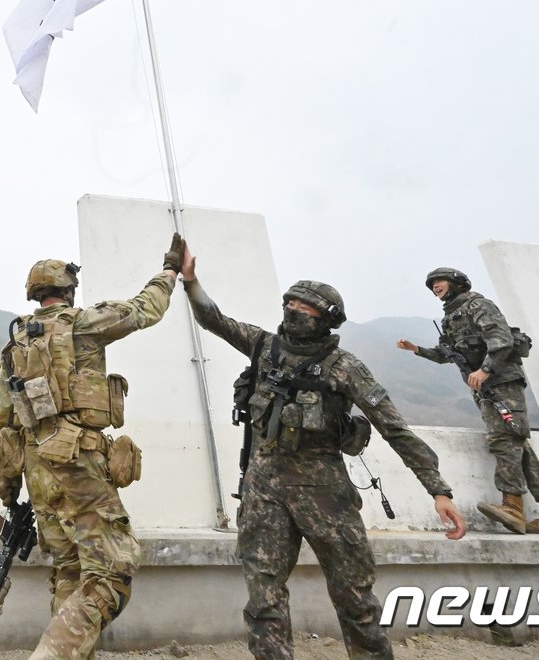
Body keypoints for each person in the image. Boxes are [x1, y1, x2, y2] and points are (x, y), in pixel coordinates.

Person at [179, 241, 465, 660]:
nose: (294, 311)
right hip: (263, 492)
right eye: (290, 303)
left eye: (305, 307)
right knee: (264, 599)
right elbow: (213, 319)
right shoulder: (264, 347)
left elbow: (395, 428)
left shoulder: (344, 366)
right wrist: (191, 281)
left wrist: (439, 490)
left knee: (355, 598)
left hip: (324, 493)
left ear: (326, 319)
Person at [0, 235, 182, 660]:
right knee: (112, 575)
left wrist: (9, 491)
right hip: (80, 469)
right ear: (68, 291)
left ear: (34, 294)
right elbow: (143, 309)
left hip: (38, 477)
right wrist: (170, 271)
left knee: (70, 574)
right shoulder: (83, 323)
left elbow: (3, 426)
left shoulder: (13, 349)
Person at [397, 267, 539, 537]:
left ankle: (513, 507)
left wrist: (486, 370)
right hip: (484, 388)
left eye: (440, 281)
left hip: (501, 381)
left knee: (504, 440)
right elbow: (448, 354)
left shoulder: (478, 305)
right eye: (432, 283)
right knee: (516, 443)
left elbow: (501, 340)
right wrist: (417, 350)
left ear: (456, 283)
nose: (435, 286)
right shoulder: (450, 318)